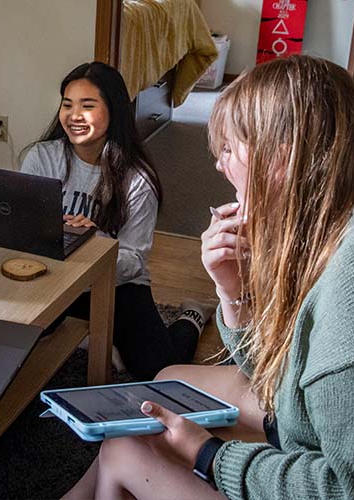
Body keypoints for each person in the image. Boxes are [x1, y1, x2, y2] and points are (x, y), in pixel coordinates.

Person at [64, 55, 354, 499]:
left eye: (228, 149)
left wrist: (210, 456)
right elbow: (280, 373)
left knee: (126, 450)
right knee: (166, 383)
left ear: (282, 157)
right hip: (327, 425)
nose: (220, 166)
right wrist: (232, 292)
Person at [21, 62, 212, 381]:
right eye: (67, 105)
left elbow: (133, 261)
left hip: (118, 286)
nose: (73, 115)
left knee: (160, 372)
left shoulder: (138, 179)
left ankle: (192, 315)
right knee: (20, 338)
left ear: (114, 110)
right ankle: (93, 338)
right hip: (54, 282)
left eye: (87, 105)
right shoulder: (42, 158)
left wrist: (94, 246)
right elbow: (21, 228)